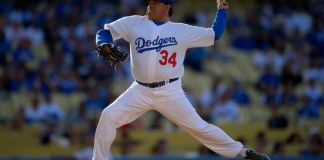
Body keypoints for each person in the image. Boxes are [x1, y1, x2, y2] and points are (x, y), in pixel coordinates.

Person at [93, 0, 270, 160]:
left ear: (167, 6)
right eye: (150, 2)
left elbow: (214, 34)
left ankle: (242, 152)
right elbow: (106, 31)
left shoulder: (181, 30)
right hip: (140, 90)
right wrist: (102, 43)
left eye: (156, 2)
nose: (150, 5)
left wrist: (222, 10)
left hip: (169, 92)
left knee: (200, 127)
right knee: (108, 115)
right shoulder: (134, 23)